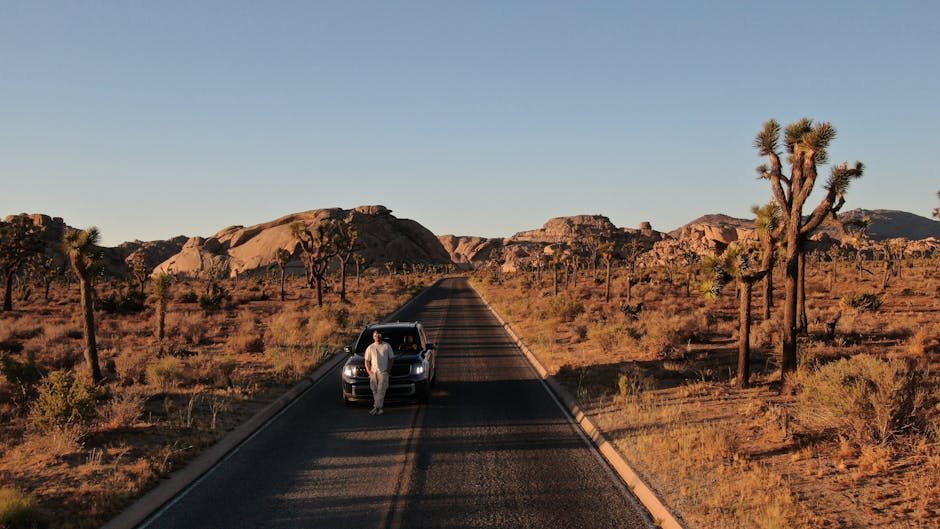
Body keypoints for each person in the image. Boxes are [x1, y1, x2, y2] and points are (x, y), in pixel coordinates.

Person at [364, 330, 394, 415]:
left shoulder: (386, 346)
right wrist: (369, 372)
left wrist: (388, 370)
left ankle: (376, 407)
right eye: (375, 336)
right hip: (374, 372)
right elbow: (367, 361)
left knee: (381, 390)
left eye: (378, 335)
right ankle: (379, 408)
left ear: (381, 336)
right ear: (373, 337)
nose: (377, 337)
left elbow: (391, 359)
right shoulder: (370, 347)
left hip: (383, 372)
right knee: (375, 390)